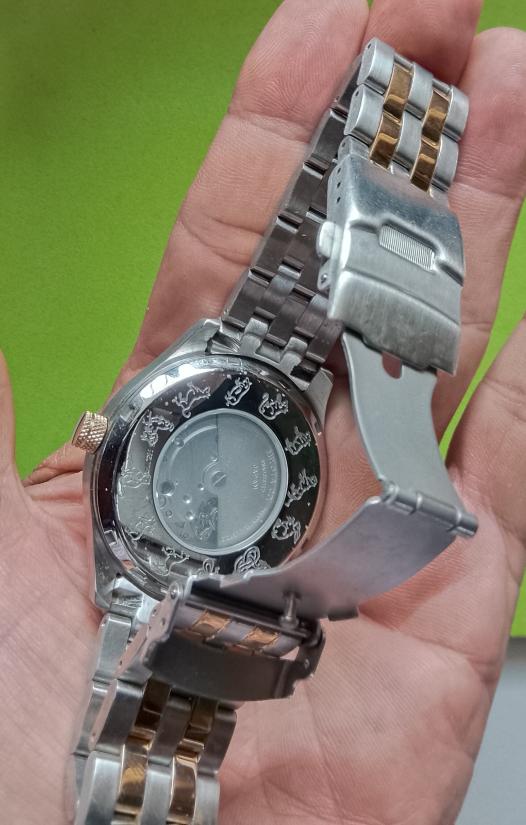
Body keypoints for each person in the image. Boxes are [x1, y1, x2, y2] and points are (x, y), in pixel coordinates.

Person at [1, 0, 525, 822]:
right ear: (99, 441)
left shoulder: (212, 469)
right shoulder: (161, 487)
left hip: (238, 532)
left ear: (96, 440)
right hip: (211, 573)